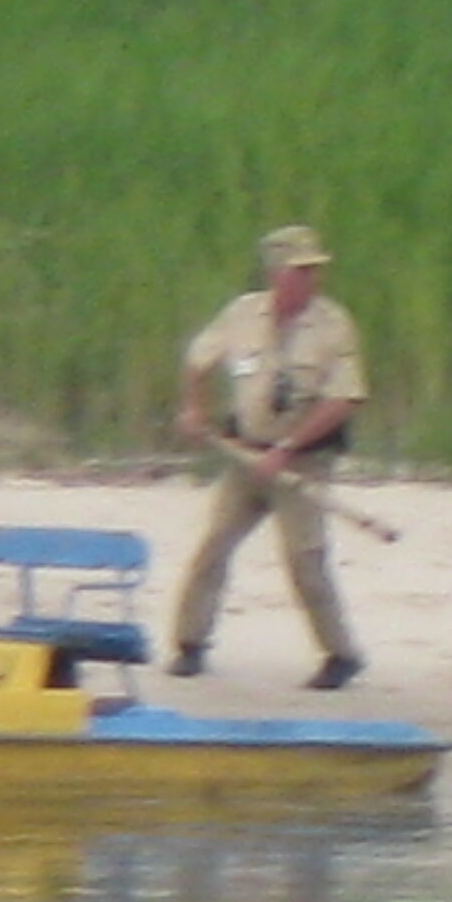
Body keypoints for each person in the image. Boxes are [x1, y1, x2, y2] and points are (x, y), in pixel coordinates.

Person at [169, 224, 368, 691]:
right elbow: (199, 359)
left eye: (313, 270)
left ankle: (340, 654)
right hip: (245, 455)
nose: (309, 279)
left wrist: (287, 449)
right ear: (276, 273)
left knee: (305, 557)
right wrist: (196, 409)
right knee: (214, 546)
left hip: (304, 461)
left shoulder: (332, 324)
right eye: (300, 271)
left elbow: (346, 398)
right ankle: (190, 645)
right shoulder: (242, 314)